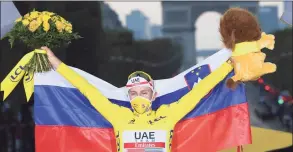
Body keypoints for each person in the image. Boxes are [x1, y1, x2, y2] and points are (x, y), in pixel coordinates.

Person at [43, 46, 233, 152]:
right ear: (128, 95)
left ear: (154, 95)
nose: (138, 97)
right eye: (133, 93)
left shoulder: (169, 113)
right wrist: (57, 64)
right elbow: (87, 89)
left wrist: (229, 66)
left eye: (144, 93)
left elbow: (199, 91)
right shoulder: (117, 114)